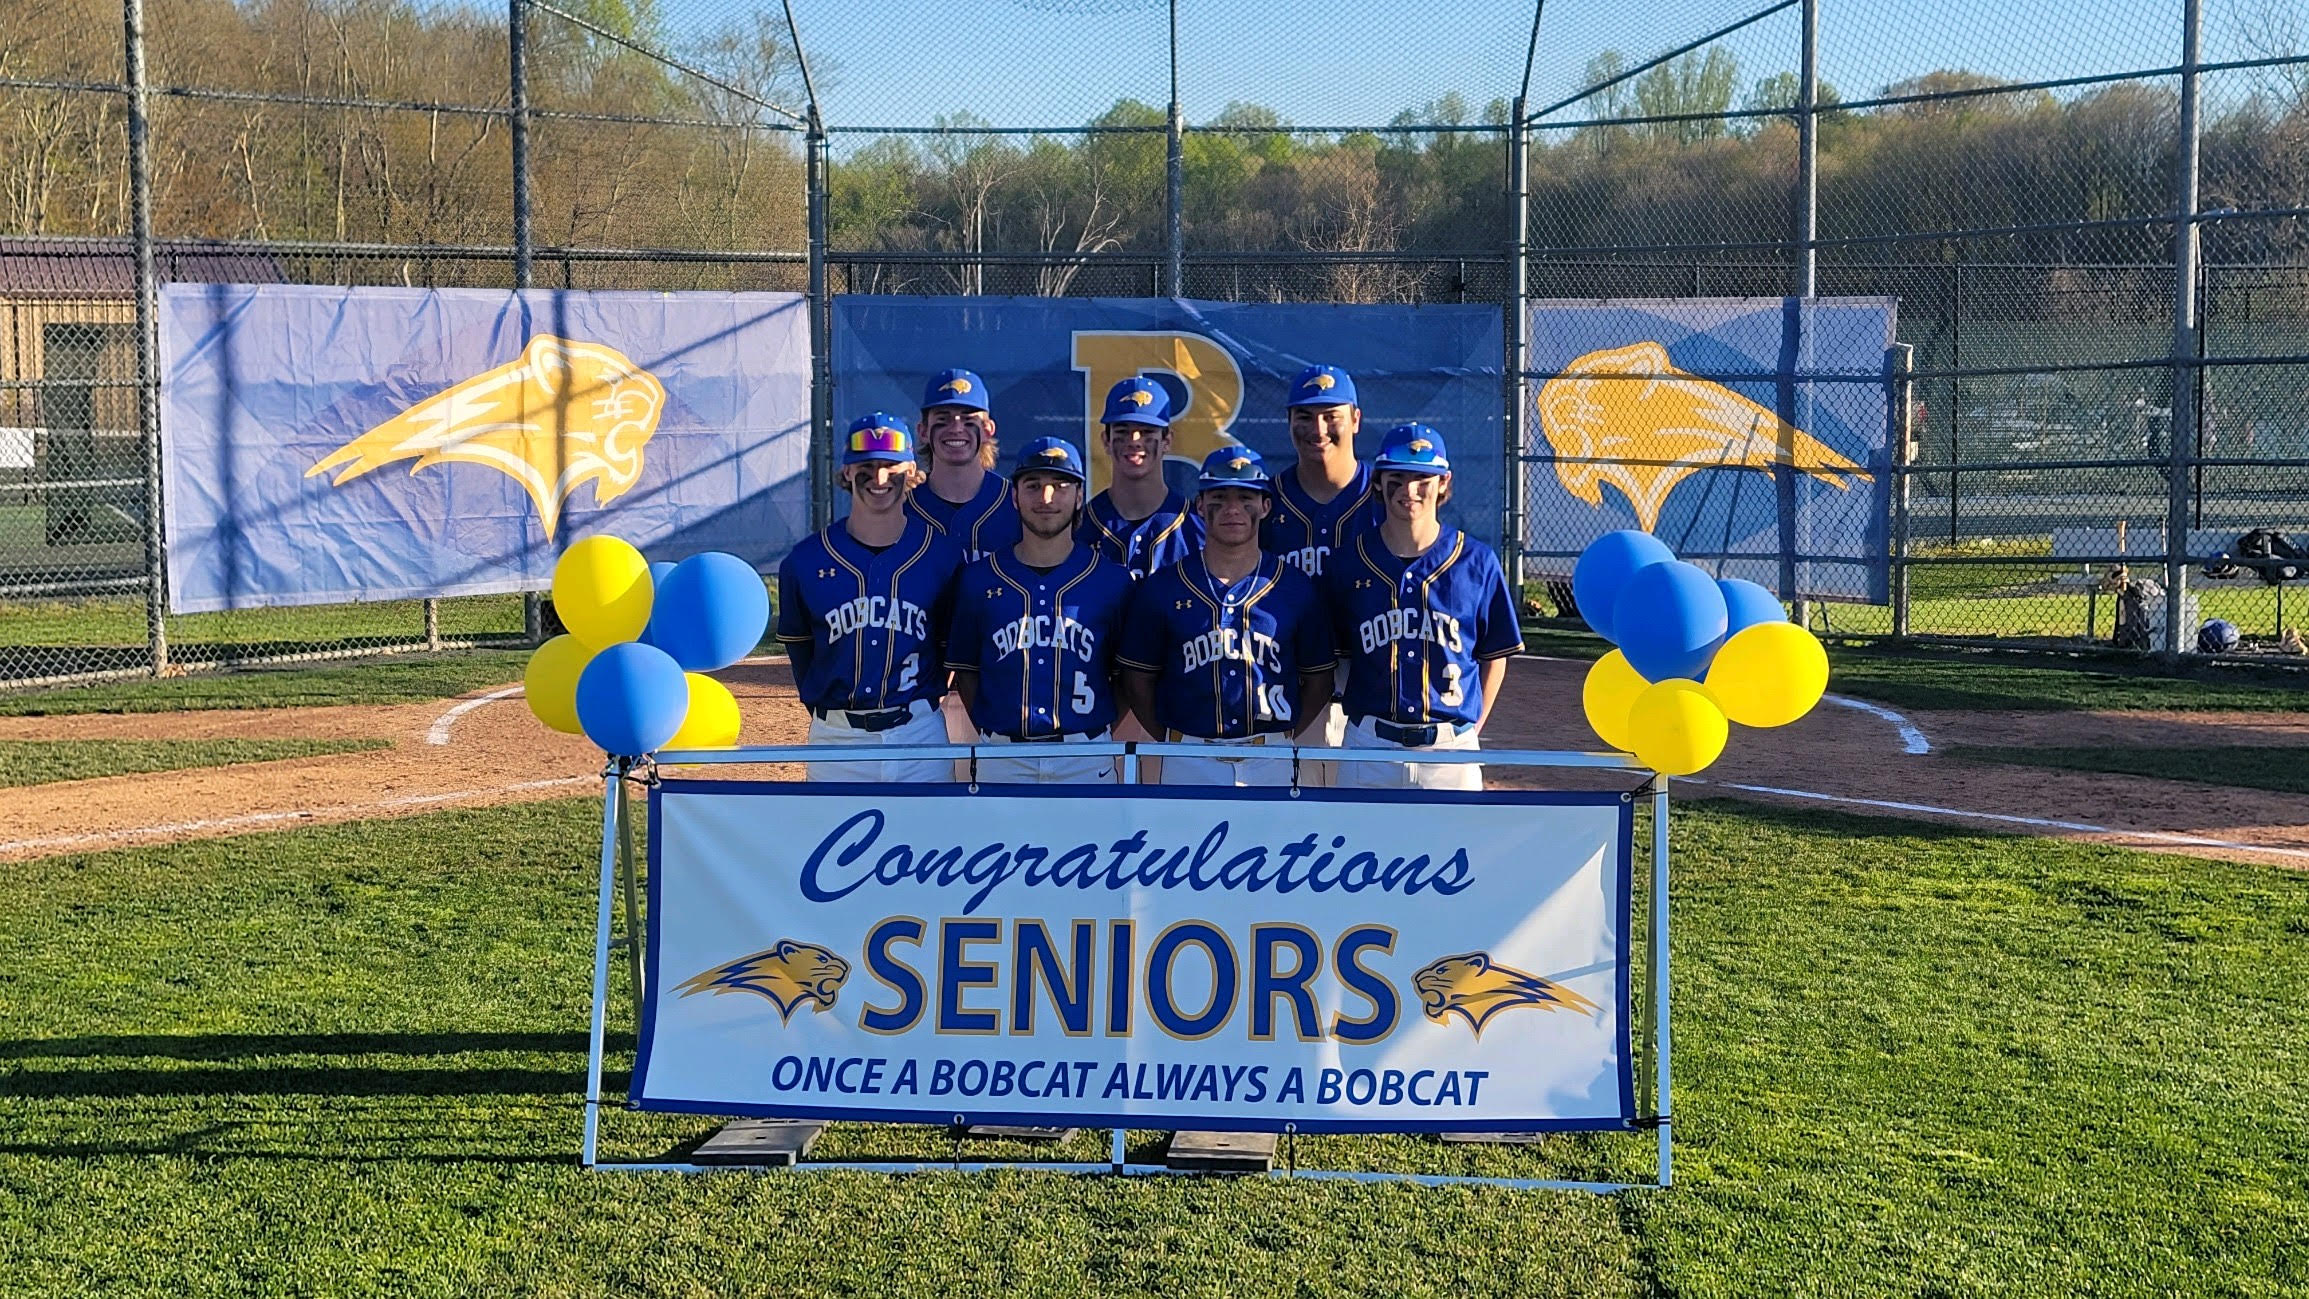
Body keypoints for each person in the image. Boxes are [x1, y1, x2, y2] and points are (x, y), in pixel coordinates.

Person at [1117, 447, 1335, 787]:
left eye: (1246, 497)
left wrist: (1286, 734)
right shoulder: (1164, 587)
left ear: (1265, 506)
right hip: (1188, 755)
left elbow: (1319, 680)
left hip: (1271, 755)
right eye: (1220, 496)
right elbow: (1137, 679)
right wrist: (1173, 737)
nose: (1233, 508)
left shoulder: (1295, 587)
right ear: (1200, 505)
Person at [1322, 424, 1523, 790]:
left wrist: (1473, 727)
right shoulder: (1349, 562)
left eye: (1422, 479)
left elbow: (1495, 654)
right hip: (1370, 745)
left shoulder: (1477, 561)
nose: (1409, 491)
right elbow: (1339, 657)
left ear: (1444, 482)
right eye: (1396, 479)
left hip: (1450, 749)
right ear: (1378, 483)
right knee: (1360, 843)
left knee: (1456, 845)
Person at [774, 413, 964, 782]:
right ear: (846, 471)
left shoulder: (941, 555)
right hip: (837, 737)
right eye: (867, 466)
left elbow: (949, 648)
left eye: (890, 467)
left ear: (911, 472)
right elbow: (801, 650)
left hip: (919, 733)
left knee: (929, 837)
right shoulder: (806, 560)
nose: (879, 479)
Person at [945, 437, 1134, 784]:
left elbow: (1127, 678)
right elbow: (967, 673)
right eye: (1033, 486)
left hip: (1085, 755)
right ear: (1015, 497)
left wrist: (1092, 728)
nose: (1046, 499)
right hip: (1002, 754)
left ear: (1079, 496)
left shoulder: (1113, 581)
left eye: (1060, 486)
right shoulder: (978, 579)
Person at [1262, 363, 1386, 770]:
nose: (1318, 430)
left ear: (1355, 419)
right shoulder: (1264, 503)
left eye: (1331, 416)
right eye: (1305, 417)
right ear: (1288, 422)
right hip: (1288, 676)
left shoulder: (1388, 499)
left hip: (1368, 679)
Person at [1082, 376, 1203, 580]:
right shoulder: (1080, 528)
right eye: (1123, 431)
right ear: (1106, 440)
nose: (1134, 441)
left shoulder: (1198, 528)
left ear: (1167, 440)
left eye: (1147, 431)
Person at [906, 367, 1019, 562]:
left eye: (969, 419)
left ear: (987, 429)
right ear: (923, 431)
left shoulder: (1019, 505)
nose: (957, 429)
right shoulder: (903, 510)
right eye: (943, 418)